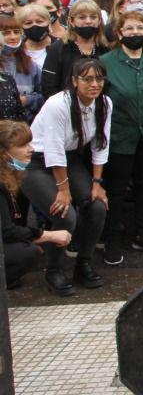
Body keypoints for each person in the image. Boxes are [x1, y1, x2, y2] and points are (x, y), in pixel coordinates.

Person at [23, 57, 110, 294]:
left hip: (69, 159)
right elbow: (53, 149)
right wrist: (63, 190)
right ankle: (54, 270)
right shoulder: (57, 104)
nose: (94, 83)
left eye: (99, 78)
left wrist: (97, 183)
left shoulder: (104, 103)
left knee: (97, 205)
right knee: (64, 212)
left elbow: (101, 145)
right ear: (74, 81)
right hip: (37, 161)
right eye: (88, 79)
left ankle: (84, 263)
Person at [99, 11, 143, 265]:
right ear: (119, 33)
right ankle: (113, 238)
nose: (134, 33)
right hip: (120, 135)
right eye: (129, 29)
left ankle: (142, 233)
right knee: (116, 190)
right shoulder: (106, 62)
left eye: (139, 28)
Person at [0, 120, 74, 290]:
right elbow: (6, 232)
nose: (31, 149)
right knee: (27, 253)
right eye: (23, 145)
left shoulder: (12, 176)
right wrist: (48, 235)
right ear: (4, 153)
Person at [41, 0, 109, 100]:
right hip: (65, 108)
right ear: (71, 21)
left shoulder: (105, 48)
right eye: (82, 17)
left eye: (93, 17)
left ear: (99, 21)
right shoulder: (59, 49)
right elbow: (49, 87)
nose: (88, 21)